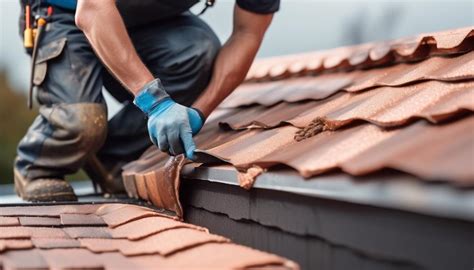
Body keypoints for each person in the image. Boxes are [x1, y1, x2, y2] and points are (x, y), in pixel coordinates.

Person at [14, 0, 278, 202]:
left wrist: (199, 111)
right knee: (80, 123)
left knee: (199, 52)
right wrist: (157, 103)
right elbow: (92, 10)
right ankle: (37, 167)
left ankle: (112, 160)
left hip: (150, 20)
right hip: (64, 14)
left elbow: (247, 33)